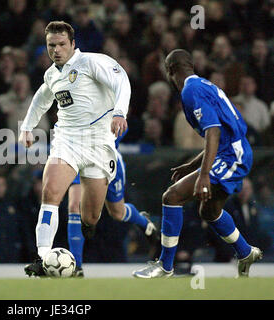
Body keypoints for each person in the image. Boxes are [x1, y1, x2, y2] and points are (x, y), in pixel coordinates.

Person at [133, 49, 263, 279]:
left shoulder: (190, 91)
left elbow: (213, 131)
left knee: (171, 197)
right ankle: (245, 252)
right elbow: (218, 135)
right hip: (234, 151)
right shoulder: (204, 85)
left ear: (170, 70)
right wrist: (191, 165)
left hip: (232, 155)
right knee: (209, 210)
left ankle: (165, 265)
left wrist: (203, 175)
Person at [18, 21, 129, 277]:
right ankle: (43, 257)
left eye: (61, 44)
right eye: (51, 45)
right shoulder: (51, 74)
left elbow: (121, 80)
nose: (56, 50)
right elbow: (42, 98)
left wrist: (119, 112)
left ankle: (89, 226)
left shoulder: (91, 62)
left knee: (90, 217)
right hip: (66, 140)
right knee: (50, 192)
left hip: (98, 143)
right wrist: (27, 127)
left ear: (72, 44)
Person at [67, 130, 160, 277]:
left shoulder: (112, 108)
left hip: (106, 159)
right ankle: (76, 266)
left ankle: (143, 221)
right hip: (80, 155)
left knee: (117, 212)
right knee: (74, 206)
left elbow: (122, 125)